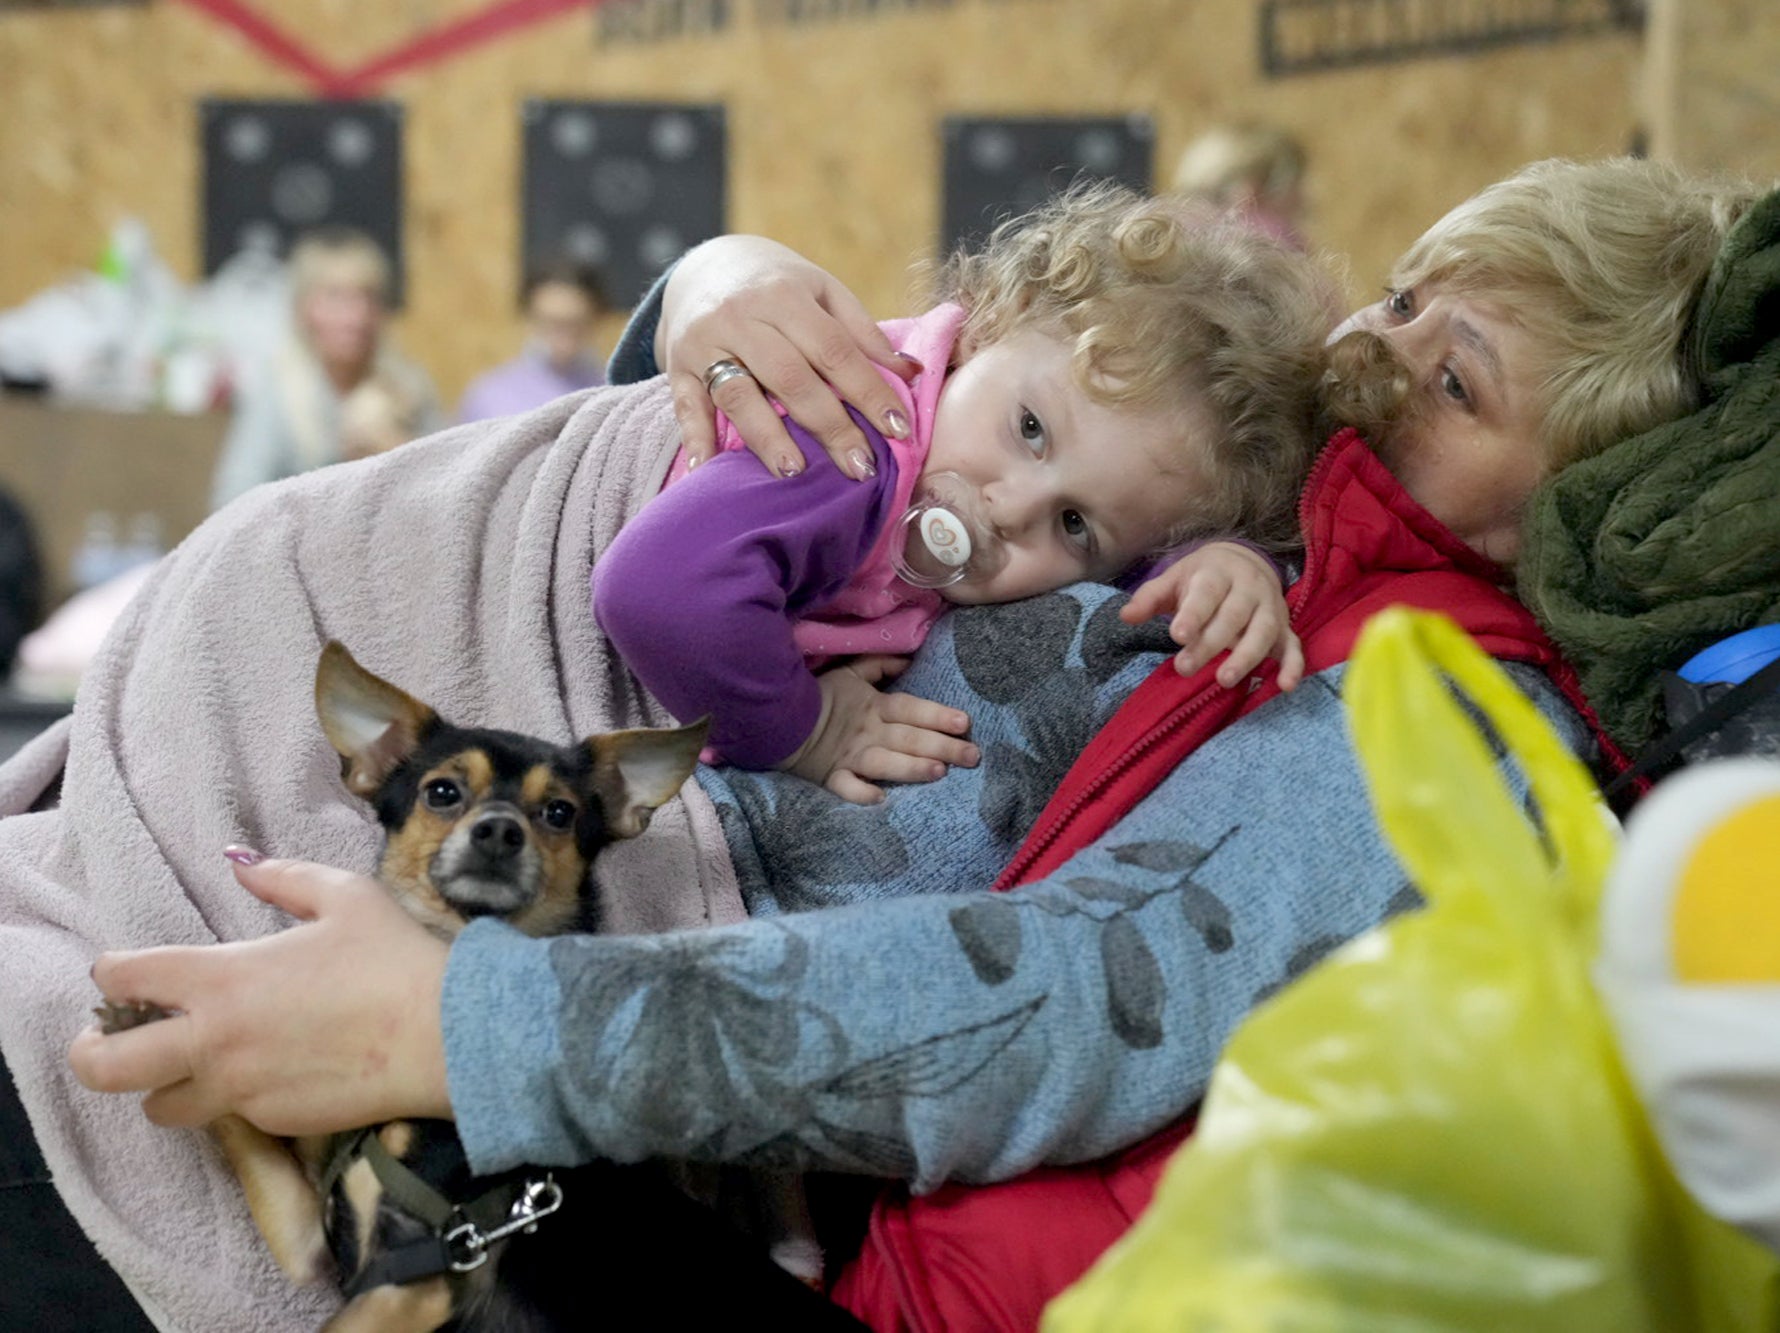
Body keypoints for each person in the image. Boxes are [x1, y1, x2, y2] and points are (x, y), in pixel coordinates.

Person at [61, 158, 1770, 1332]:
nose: (1368, 352)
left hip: (825, 1195)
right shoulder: (1291, 553)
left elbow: (1057, 994)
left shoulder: (1436, 701)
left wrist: (460, 1021)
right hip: (495, 848)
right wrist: (714, 294)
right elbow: (829, 469)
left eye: (1453, 372)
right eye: (1398, 293)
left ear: (1584, 494)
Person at [596, 184, 1326, 802]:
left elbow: (1135, 553)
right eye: (1031, 429)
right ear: (984, 327)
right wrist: (808, 729)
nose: (1010, 507)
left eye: (1073, 524)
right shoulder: (856, 448)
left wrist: (1217, 564)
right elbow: (654, 591)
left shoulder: (983, 431)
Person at [209, 227, 441, 510]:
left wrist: (394, 448)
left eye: (366, 297)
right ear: (303, 309)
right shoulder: (279, 391)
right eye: (335, 298)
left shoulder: (409, 387)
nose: (355, 317)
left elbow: (448, 490)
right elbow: (232, 501)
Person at [457, 260, 609, 424]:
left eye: (575, 325)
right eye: (553, 324)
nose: (564, 340)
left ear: (596, 319)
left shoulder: (610, 394)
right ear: (530, 319)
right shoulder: (489, 396)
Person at [1170, 122, 1309, 251]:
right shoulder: (1273, 241)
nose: (1304, 196)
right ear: (1251, 190)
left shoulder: (1168, 238)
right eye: (1296, 183)